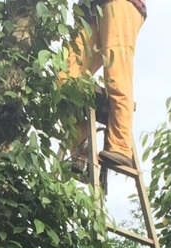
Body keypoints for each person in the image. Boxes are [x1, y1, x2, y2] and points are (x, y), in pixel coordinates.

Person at [62, 0, 146, 170]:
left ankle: (120, 145)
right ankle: (81, 147)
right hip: (91, 12)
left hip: (120, 3)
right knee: (64, 77)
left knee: (117, 73)